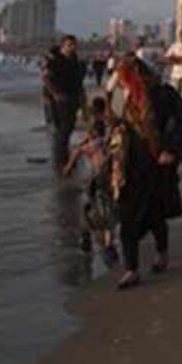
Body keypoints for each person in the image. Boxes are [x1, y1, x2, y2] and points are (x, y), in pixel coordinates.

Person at [109, 58, 182, 290]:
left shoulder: (164, 94)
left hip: (158, 162)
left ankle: (162, 254)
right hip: (130, 164)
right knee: (127, 215)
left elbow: (181, 123)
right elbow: (120, 125)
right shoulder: (126, 96)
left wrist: (171, 150)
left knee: (156, 212)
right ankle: (132, 269)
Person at [63, 96, 118, 265]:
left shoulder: (91, 145)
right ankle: (108, 244)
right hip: (108, 179)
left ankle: (87, 236)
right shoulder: (107, 142)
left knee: (92, 210)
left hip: (96, 180)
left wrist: (69, 166)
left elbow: (77, 152)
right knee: (109, 214)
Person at [43, 35, 86, 171]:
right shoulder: (54, 60)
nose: (72, 48)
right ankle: (60, 159)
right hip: (59, 98)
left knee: (69, 126)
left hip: (72, 95)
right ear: (63, 46)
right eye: (69, 45)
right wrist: (55, 94)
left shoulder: (74, 59)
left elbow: (78, 80)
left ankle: (63, 155)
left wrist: (82, 96)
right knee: (63, 128)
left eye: (74, 45)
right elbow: (45, 77)